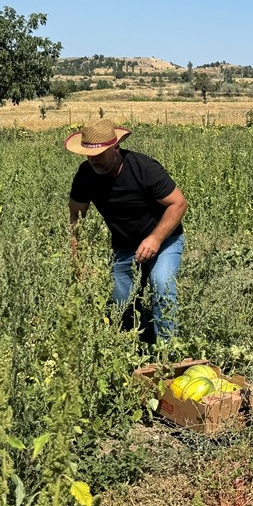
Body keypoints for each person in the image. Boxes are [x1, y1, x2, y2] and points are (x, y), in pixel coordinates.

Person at [66, 120, 189, 344]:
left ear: (115, 148)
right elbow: (76, 220)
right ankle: (134, 347)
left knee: (161, 284)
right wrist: (79, 261)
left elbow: (178, 204)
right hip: (125, 246)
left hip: (165, 240)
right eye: (89, 155)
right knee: (121, 301)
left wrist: (155, 238)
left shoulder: (144, 168)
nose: (94, 160)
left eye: (100, 154)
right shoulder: (86, 175)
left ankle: (167, 354)